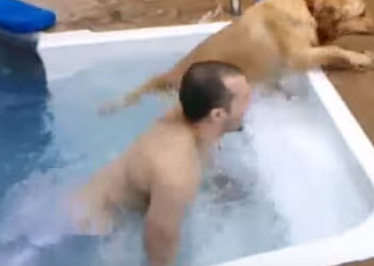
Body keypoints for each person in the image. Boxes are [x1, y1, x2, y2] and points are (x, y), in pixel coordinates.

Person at [69, 61, 252, 266]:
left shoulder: (191, 113)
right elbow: (159, 245)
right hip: (91, 233)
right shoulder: (177, 172)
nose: (251, 104)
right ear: (217, 114)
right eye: (245, 99)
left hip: (90, 201)